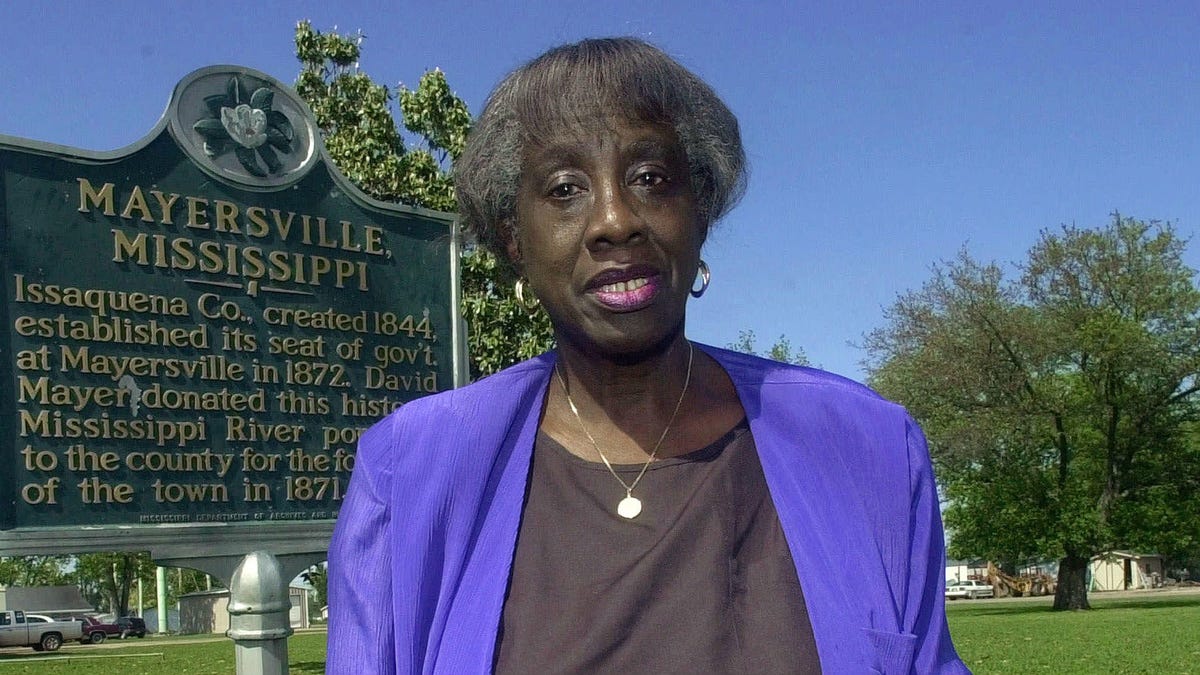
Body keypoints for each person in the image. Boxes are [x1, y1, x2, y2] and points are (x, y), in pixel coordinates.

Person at [327, 37, 968, 674]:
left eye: (650, 179)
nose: (615, 219)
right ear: (514, 242)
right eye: (565, 188)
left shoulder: (869, 447)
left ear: (701, 214)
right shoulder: (409, 473)